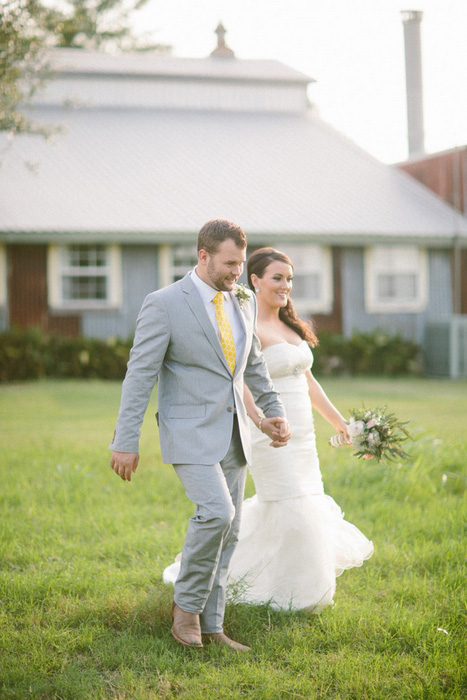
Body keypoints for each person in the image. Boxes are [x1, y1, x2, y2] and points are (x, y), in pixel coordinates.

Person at [109, 222, 290, 652]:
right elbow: (140, 376)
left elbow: (254, 366)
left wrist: (273, 413)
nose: (236, 273)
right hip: (187, 430)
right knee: (217, 514)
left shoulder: (242, 300)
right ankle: (185, 608)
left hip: (235, 434)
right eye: (229, 264)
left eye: (241, 264)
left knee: (230, 532)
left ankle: (212, 625)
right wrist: (125, 439)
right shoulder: (165, 303)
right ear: (203, 256)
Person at [166, 247, 373, 612]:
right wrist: (260, 420)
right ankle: (302, 595)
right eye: (278, 278)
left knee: (303, 500)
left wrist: (339, 421)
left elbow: (308, 381)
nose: (285, 285)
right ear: (255, 280)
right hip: (266, 429)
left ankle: (281, 581)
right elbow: (239, 382)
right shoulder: (245, 324)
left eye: (290, 279)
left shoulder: (291, 324)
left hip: (303, 434)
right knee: (288, 504)